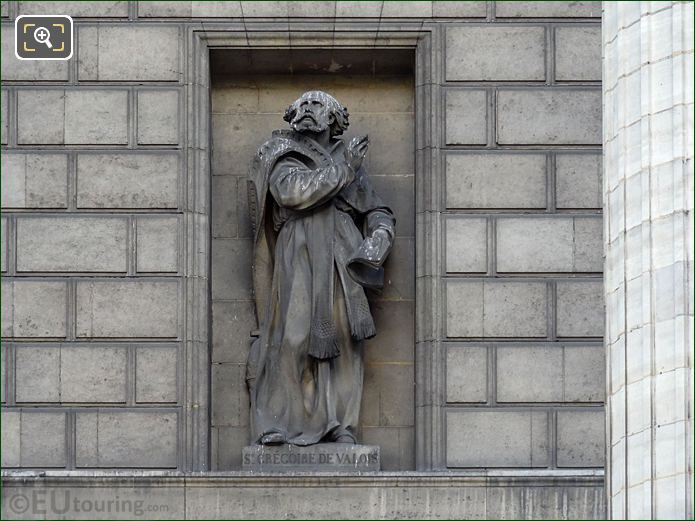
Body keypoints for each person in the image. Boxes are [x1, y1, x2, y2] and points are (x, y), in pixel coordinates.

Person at [246, 90, 395, 445]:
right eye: (302, 105)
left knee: (342, 342)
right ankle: (279, 422)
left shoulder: (348, 163)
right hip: (299, 256)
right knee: (292, 338)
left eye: (316, 105)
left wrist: (379, 236)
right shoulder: (283, 154)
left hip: (341, 260)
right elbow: (293, 193)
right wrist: (345, 170)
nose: (307, 111)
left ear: (333, 118)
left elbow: (376, 210)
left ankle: (341, 426)